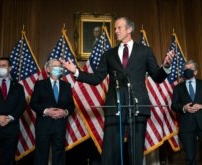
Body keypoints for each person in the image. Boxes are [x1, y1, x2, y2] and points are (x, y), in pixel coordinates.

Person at [61, 17, 174, 165]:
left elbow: (157, 77)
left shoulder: (145, 51)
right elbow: (96, 78)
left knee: (135, 151)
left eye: (119, 28)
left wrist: (165, 66)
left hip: (138, 106)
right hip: (115, 106)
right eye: (115, 28)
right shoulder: (109, 54)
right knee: (110, 151)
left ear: (129, 29)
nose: (115, 31)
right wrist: (75, 71)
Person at [171, 60, 202, 165]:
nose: (187, 71)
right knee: (190, 158)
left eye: (190, 69)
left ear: (195, 72)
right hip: (187, 125)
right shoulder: (178, 88)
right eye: (185, 69)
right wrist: (184, 108)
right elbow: (173, 105)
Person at [30, 59, 74, 165]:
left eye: (59, 66)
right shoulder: (40, 84)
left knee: (59, 156)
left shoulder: (66, 86)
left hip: (60, 126)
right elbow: (33, 103)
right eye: (55, 66)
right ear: (48, 69)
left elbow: (71, 105)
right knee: (41, 155)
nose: (58, 68)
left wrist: (66, 112)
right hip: (43, 126)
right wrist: (46, 111)